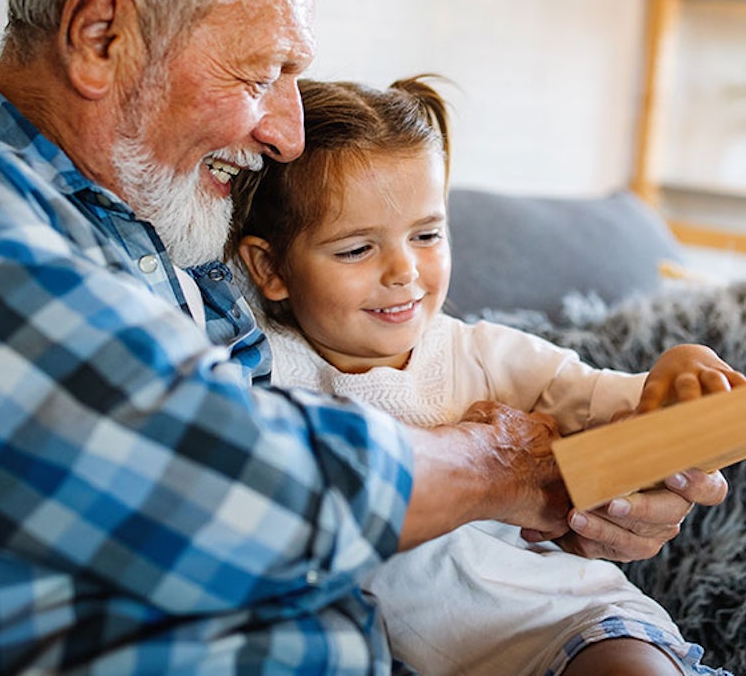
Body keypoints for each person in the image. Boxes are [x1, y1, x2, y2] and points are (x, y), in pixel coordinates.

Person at [0, 0, 734, 672]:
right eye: (262, 73)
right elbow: (224, 481)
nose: (288, 133)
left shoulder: (158, 234)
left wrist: (607, 467)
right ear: (101, 34)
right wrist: (501, 467)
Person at [235, 75, 745, 676]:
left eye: (427, 235)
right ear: (269, 267)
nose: (405, 271)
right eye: (356, 250)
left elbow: (614, 402)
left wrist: (676, 379)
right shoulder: (258, 368)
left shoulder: (485, 354)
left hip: (561, 626)